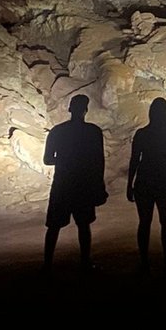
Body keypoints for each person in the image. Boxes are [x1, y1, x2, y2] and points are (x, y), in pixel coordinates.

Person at [43, 94, 107, 273]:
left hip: (62, 184)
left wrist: (64, 160)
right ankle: (85, 263)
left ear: (69, 109)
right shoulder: (93, 132)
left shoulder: (57, 131)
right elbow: (99, 161)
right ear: (86, 110)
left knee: (54, 226)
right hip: (83, 184)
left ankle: (47, 265)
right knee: (84, 225)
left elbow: (48, 160)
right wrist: (99, 186)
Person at [127, 97, 166, 274]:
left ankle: (144, 262)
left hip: (144, 179)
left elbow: (135, 160)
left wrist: (129, 184)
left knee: (144, 222)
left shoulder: (142, 134)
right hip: (164, 179)